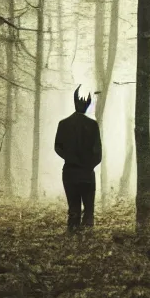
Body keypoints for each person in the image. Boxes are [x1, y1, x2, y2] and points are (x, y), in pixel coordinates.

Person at [54, 85, 102, 231]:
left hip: (70, 173)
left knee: (73, 208)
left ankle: (72, 239)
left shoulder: (63, 124)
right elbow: (98, 152)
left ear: (75, 103)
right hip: (87, 174)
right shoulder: (93, 125)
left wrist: (70, 159)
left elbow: (57, 147)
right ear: (87, 106)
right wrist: (89, 165)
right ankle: (87, 242)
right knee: (89, 211)